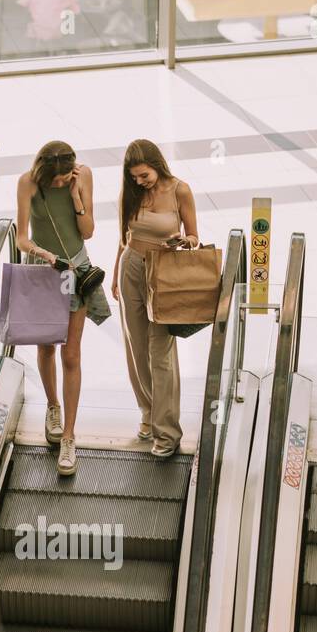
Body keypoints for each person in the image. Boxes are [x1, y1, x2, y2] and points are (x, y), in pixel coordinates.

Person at [16, 140, 110, 476]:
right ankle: (52, 406)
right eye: (53, 181)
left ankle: (69, 435)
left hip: (75, 270)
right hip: (44, 270)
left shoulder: (82, 177)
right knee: (46, 347)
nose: (57, 184)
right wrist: (43, 254)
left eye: (62, 179)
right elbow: (21, 237)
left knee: (71, 353)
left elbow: (88, 232)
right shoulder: (28, 182)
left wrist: (74, 197)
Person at [111, 139, 200, 458]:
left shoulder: (180, 190)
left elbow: (194, 237)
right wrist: (114, 273)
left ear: (157, 166)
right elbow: (124, 237)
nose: (139, 181)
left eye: (144, 175)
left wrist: (183, 240)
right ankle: (148, 414)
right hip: (131, 266)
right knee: (136, 348)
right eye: (134, 177)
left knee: (159, 351)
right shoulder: (130, 191)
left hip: (163, 271)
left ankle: (168, 432)